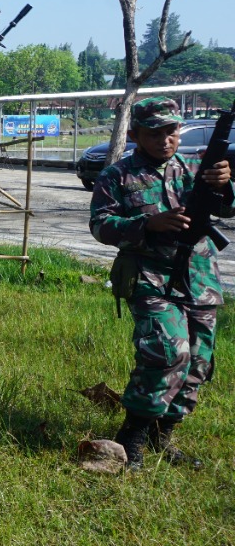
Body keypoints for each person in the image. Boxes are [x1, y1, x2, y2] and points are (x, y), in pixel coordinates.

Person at [90, 97, 232, 470]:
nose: (165, 139)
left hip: (199, 277)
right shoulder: (116, 176)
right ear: (135, 134)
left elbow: (227, 207)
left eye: (171, 131)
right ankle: (132, 437)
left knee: (199, 362)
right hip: (150, 276)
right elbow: (100, 225)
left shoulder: (194, 168)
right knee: (167, 352)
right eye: (155, 132)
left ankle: (162, 435)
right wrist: (146, 225)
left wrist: (226, 185)